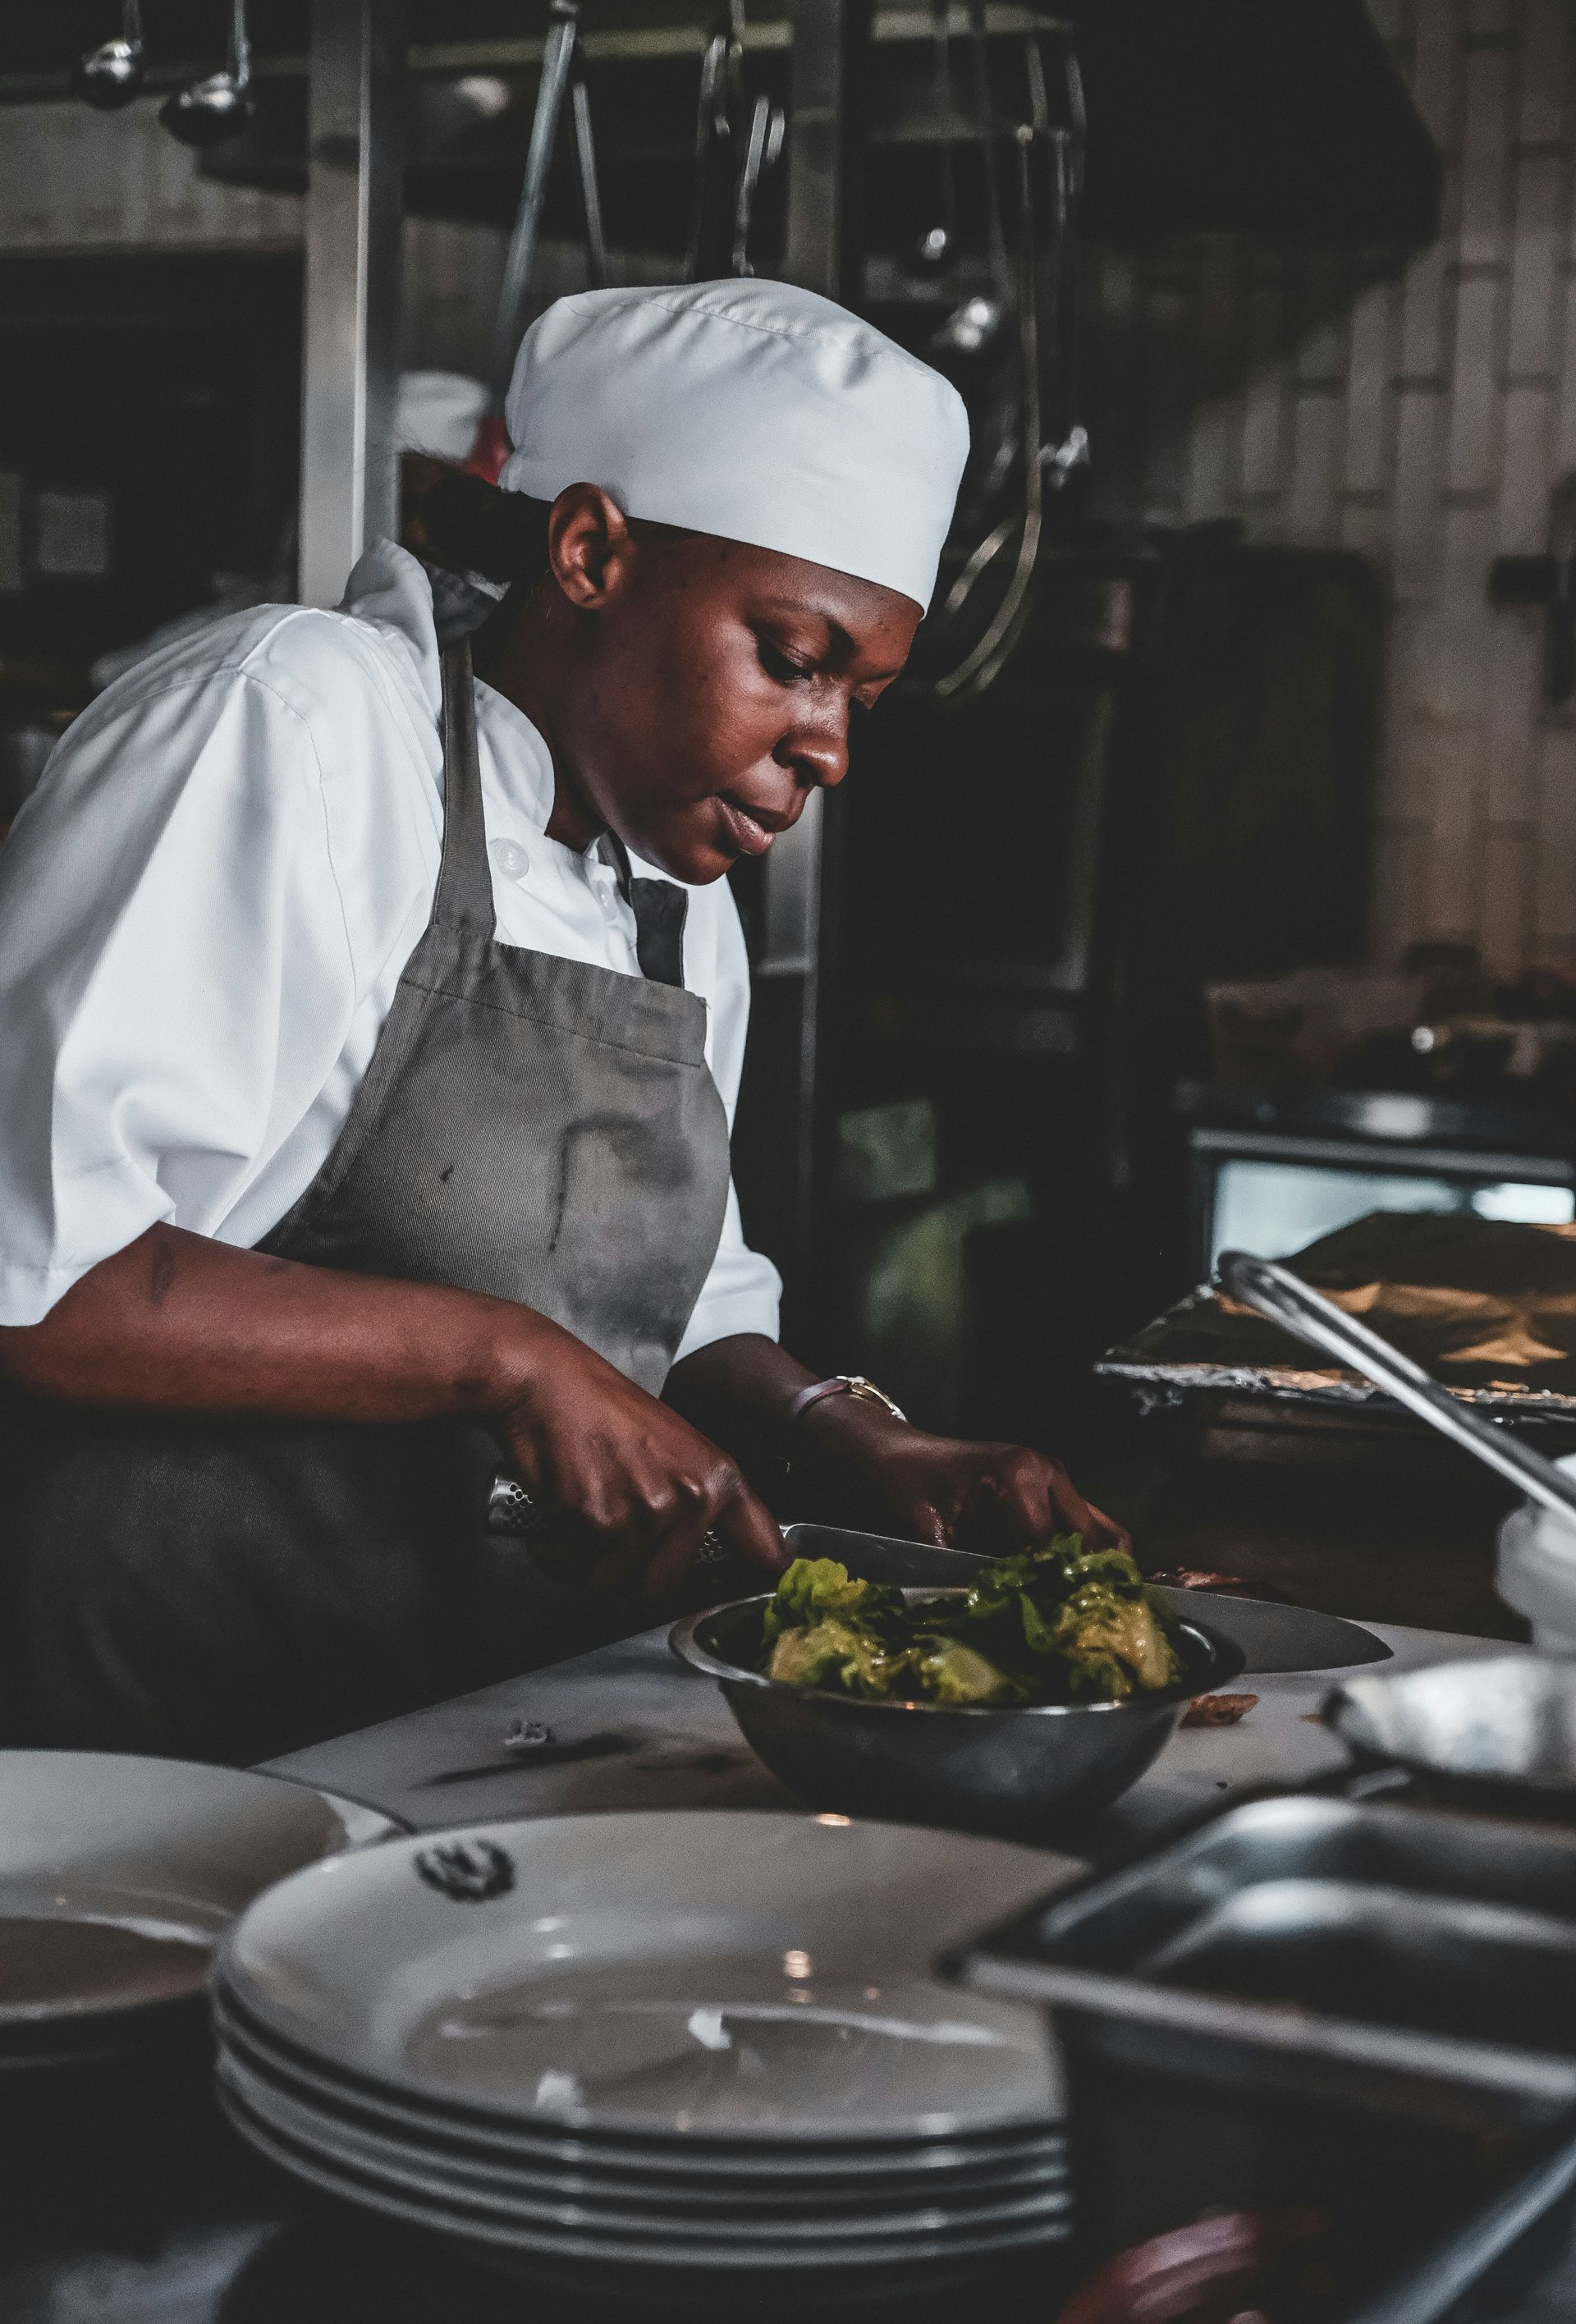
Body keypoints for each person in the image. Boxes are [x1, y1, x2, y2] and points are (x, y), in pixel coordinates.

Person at [0, 281, 1123, 1764]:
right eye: (792, 655)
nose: (831, 745)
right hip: (161, 1745)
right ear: (590, 551)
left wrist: (851, 1429)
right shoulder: (309, 727)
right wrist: (503, 1356)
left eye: (864, 693)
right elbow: (40, 1270)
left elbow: (680, 1299)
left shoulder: (670, 892)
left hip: (462, 1732)